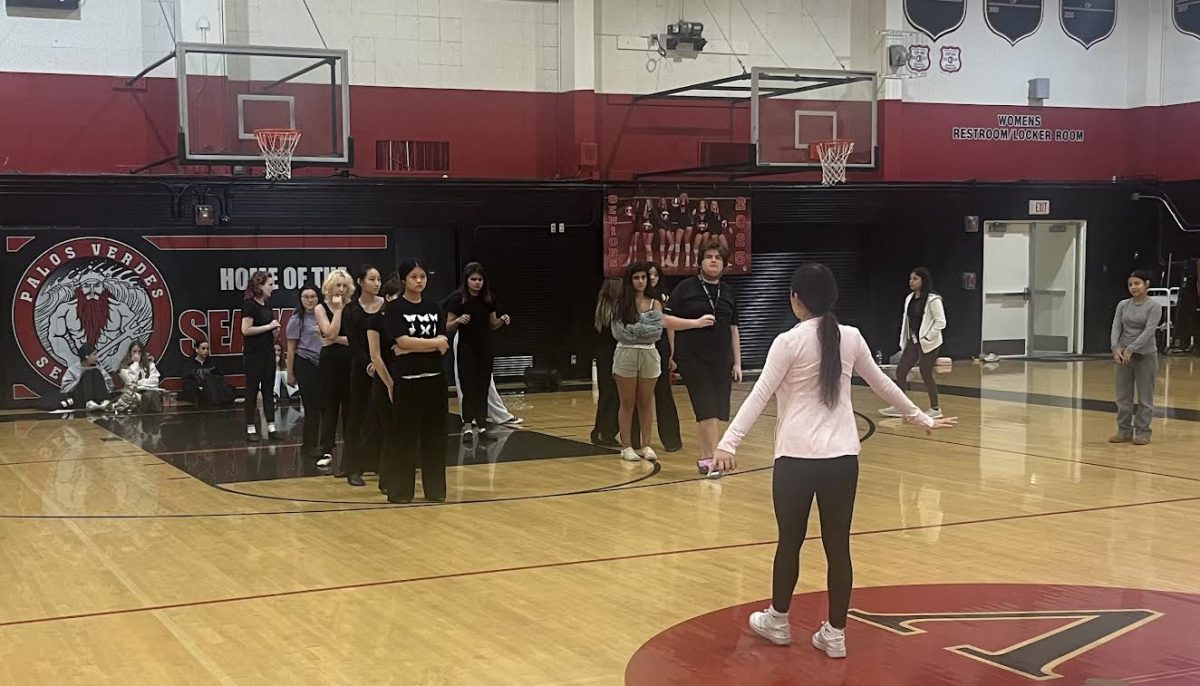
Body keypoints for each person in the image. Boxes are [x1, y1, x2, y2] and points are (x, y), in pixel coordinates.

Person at [710, 263, 957, 658]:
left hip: (795, 458)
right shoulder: (852, 337)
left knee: (789, 543)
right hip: (842, 458)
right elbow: (882, 383)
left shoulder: (787, 342)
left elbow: (758, 395)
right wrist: (921, 417)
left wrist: (728, 444)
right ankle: (836, 634)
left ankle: (777, 620)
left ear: (795, 299)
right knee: (838, 546)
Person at [663, 238, 739, 477]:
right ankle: (712, 459)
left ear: (724, 264)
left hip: (720, 359)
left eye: (718, 257)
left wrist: (737, 361)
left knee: (715, 411)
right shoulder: (685, 288)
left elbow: (734, 327)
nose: (713, 261)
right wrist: (694, 324)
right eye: (709, 257)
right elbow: (665, 320)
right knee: (705, 408)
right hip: (692, 358)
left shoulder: (727, 292)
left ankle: (706, 457)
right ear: (700, 262)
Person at [382, 259, 450, 504]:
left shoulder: (434, 306)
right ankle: (400, 491)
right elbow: (401, 341)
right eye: (414, 277)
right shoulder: (395, 308)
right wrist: (428, 345)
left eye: (422, 276)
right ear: (403, 280)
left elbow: (444, 342)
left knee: (435, 437)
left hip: (434, 380)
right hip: (407, 381)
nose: (419, 281)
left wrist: (414, 346)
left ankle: (436, 491)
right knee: (405, 437)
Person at [446, 262, 512, 438]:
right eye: (473, 279)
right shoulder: (457, 299)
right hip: (466, 346)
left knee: (483, 384)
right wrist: (458, 321)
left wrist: (502, 320)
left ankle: (482, 423)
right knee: (467, 384)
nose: (477, 283)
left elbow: (492, 324)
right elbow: (447, 326)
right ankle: (468, 423)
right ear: (466, 280)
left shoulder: (488, 298)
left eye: (480, 279)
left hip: (485, 345)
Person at [611, 261, 664, 462]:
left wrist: (634, 328)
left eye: (644, 277)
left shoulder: (655, 303)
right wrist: (643, 328)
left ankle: (646, 444)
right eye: (636, 277)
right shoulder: (620, 303)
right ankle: (626, 446)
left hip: (649, 354)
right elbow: (619, 332)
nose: (641, 281)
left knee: (646, 401)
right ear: (630, 280)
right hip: (626, 353)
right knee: (627, 402)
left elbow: (656, 333)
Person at [880, 267, 947, 419]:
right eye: (910, 278)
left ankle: (935, 408)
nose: (911, 281)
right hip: (913, 341)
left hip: (929, 343)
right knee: (901, 371)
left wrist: (928, 338)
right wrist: (906, 339)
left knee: (925, 372)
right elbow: (907, 320)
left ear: (923, 280)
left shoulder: (933, 299)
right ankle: (901, 406)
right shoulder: (910, 298)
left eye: (915, 278)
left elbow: (941, 322)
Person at [341, 265, 386, 485]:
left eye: (379, 279)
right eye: (372, 279)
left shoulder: (386, 307)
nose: (377, 284)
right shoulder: (350, 310)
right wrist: (368, 364)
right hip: (361, 368)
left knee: (381, 415)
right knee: (356, 417)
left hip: (384, 368)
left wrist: (380, 363)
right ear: (360, 282)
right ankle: (352, 468)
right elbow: (353, 343)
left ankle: (380, 462)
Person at [1110, 269, 1163, 445]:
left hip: (1144, 355)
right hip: (1123, 356)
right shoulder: (1123, 305)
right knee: (1123, 397)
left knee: (1145, 398)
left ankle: (1143, 432)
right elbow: (1116, 327)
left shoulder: (1154, 306)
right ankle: (1124, 431)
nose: (1133, 287)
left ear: (1146, 284)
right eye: (1130, 284)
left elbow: (1149, 331)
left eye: (1137, 283)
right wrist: (1116, 347)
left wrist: (1131, 348)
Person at [638, 263, 682, 452]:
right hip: (638, 348)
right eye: (649, 274)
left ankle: (672, 440)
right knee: (637, 396)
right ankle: (633, 439)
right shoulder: (635, 297)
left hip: (660, 348)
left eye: (656, 274)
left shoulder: (664, 298)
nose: (653, 278)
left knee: (664, 393)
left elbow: (669, 326)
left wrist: (672, 353)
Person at [315, 269, 353, 467]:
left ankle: (351, 450)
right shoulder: (321, 308)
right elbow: (329, 332)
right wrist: (337, 311)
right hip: (330, 362)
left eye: (344, 286)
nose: (341, 289)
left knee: (351, 407)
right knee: (330, 408)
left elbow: (354, 339)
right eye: (337, 285)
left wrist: (333, 339)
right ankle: (326, 450)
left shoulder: (354, 307)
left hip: (351, 360)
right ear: (329, 286)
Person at [240, 270, 281, 442]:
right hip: (253, 354)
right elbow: (246, 330)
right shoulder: (250, 305)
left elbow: (269, 330)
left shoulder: (267, 305)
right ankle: (250, 427)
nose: (273, 288)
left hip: (267, 352)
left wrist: (275, 332)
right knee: (252, 390)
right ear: (259, 285)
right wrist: (268, 326)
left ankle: (271, 426)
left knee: (268, 389)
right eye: (270, 285)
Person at [286, 285, 324, 459]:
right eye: (305, 297)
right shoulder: (297, 320)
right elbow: (291, 349)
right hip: (305, 362)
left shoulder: (324, 315)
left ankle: (323, 444)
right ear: (300, 300)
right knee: (312, 408)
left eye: (313, 296)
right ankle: (309, 445)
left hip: (323, 363)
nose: (309, 300)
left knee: (324, 407)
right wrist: (290, 373)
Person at [590, 278, 623, 447]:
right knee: (614, 396)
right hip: (614, 355)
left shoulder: (601, 308)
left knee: (606, 396)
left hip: (603, 356)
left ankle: (599, 431)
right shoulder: (616, 311)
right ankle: (608, 431)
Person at [180, 340, 235, 407]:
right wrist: (198, 387)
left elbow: (219, 378)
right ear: (197, 350)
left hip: (212, 390)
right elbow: (186, 381)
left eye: (207, 349)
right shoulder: (189, 365)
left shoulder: (212, 364)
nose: (206, 351)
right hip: (198, 391)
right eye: (203, 348)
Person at [59, 343, 112, 411]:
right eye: (94, 354)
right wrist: (80, 380)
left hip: (97, 397)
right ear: (87, 356)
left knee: (95, 371)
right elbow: (64, 390)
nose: (97, 357)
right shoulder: (72, 370)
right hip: (79, 399)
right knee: (88, 373)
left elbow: (110, 384)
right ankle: (89, 402)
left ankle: (104, 401)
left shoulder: (99, 368)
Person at [113, 340, 162, 413]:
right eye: (134, 351)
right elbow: (130, 382)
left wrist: (139, 383)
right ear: (130, 352)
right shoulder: (124, 367)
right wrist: (135, 363)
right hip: (132, 394)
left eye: (139, 352)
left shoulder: (149, 364)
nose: (137, 354)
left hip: (147, 392)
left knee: (150, 394)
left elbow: (154, 381)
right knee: (130, 396)